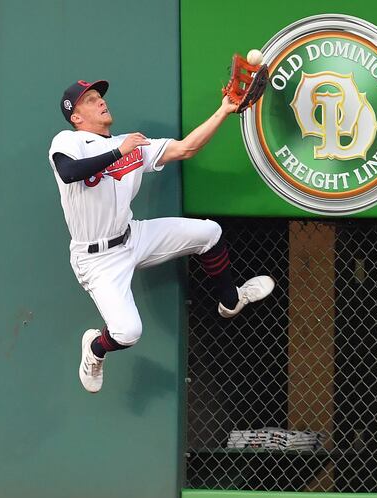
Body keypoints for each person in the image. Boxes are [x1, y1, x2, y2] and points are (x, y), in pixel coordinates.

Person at [48, 79, 275, 393]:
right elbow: (69, 172)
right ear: (76, 117)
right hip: (96, 259)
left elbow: (186, 148)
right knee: (127, 332)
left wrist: (224, 111)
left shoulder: (132, 143)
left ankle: (231, 300)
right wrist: (119, 151)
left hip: (132, 236)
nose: (100, 101)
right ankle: (95, 350)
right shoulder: (69, 141)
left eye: (100, 96)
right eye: (90, 100)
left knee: (210, 233)